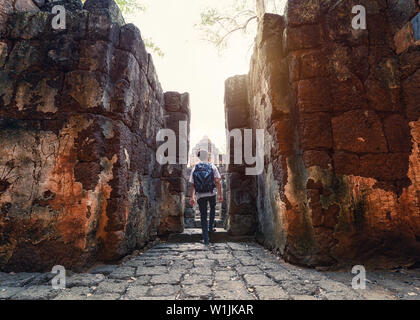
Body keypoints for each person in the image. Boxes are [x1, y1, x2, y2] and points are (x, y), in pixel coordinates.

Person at [189, 149, 223, 247]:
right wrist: (220, 195)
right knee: (212, 208)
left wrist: (192, 197)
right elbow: (217, 181)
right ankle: (211, 227)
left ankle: (206, 239)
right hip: (211, 193)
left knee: (203, 216)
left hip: (200, 195)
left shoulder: (195, 168)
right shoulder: (212, 166)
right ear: (207, 156)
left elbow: (192, 184)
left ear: (199, 157)